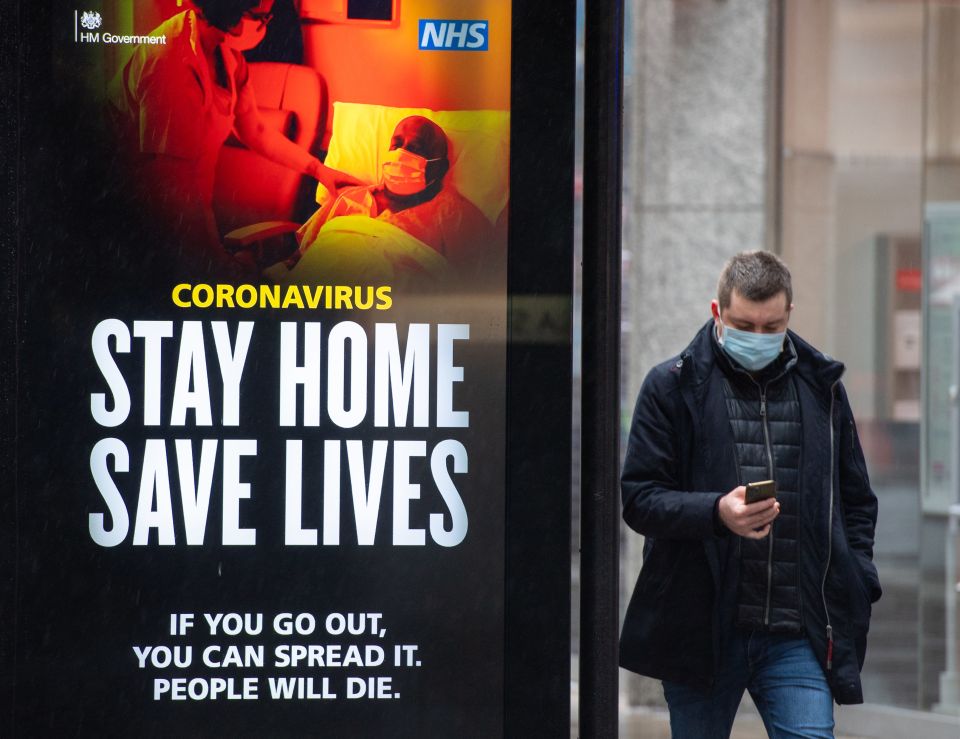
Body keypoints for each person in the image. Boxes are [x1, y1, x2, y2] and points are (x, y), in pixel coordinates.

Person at [619, 251, 881, 738]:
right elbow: (639, 498)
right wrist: (716, 512)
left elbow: (856, 498)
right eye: (745, 324)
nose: (759, 337)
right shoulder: (671, 387)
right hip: (703, 627)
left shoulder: (821, 388)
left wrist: (857, 574)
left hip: (797, 629)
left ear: (788, 316)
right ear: (717, 313)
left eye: (771, 325)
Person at [108, 0, 357, 275]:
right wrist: (217, 260)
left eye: (267, 18)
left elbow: (256, 131)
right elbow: (174, 188)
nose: (263, 26)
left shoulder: (228, 57)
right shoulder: (169, 59)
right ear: (228, 8)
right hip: (140, 220)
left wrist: (319, 170)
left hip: (192, 217)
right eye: (258, 16)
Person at [289, 116, 495, 274]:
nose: (400, 153)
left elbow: (475, 282)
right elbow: (300, 257)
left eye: (414, 149)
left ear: (440, 168)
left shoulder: (454, 215)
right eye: (396, 145)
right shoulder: (349, 197)